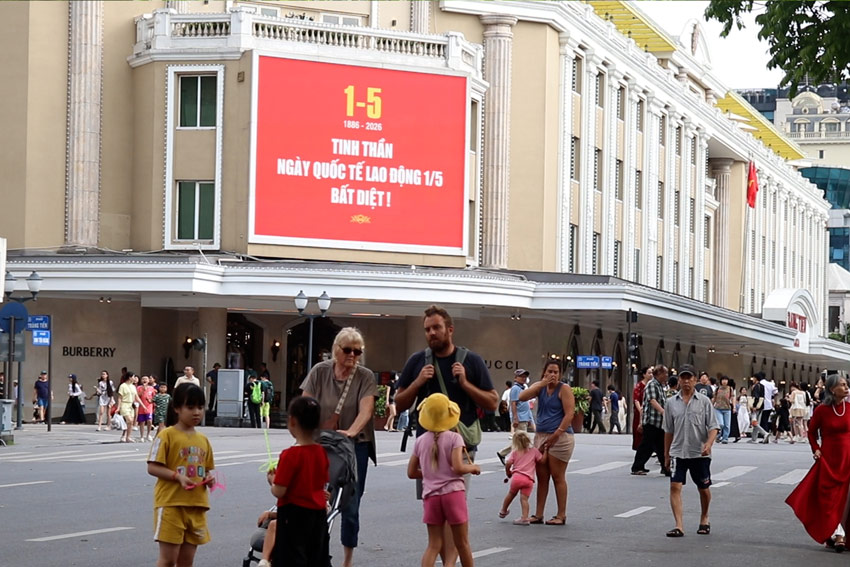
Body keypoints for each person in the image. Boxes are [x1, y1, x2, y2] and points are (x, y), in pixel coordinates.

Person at [396, 305, 497, 567]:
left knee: (454, 515)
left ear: (450, 329)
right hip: (427, 449)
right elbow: (400, 402)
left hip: (460, 446)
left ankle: (448, 564)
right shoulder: (417, 361)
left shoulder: (470, 361)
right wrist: (418, 382)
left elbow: (492, 402)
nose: (431, 333)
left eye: (436, 327)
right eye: (427, 329)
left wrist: (465, 384)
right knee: (436, 518)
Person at [300, 327, 377, 567]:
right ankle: (316, 552)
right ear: (336, 350)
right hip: (321, 443)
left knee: (350, 504)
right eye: (347, 350)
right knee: (315, 499)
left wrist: (351, 431)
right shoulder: (320, 371)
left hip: (355, 445)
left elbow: (366, 409)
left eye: (357, 351)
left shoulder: (365, 376)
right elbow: (305, 403)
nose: (353, 355)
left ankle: (347, 559)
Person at [407, 393, 480, 567]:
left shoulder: (420, 441)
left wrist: (431, 474)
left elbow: (411, 472)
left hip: (431, 496)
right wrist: (473, 468)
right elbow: (458, 467)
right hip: (453, 494)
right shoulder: (455, 438)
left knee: (433, 545)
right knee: (462, 543)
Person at [146, 383, 215, 567]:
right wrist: (178, 477)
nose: (197, 412)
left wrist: (209, 479)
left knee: (186, 562)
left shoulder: (203, 440)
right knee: (168, 560)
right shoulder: (166, 435)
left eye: (200, 407)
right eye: (190, 407)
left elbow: (206, 469)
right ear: (177, 408)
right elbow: (152, 467)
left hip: (197, 506)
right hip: (171, 505)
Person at [786, 374, 850, 552]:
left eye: (847, 385)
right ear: (832, 389)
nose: (846, 388)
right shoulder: (822, 410)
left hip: (848, 457)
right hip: (828, 459)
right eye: (842, 385)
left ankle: (841, 534)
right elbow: (812, 432)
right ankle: (837, 532)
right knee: (830, 498)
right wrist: (815, 449)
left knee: (846, 498)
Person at [268, 396, 330, 567]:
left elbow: (280, 491)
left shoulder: (290, 455)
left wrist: (272, 479)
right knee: (315, 557)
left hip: (293, 515)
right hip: (317, 515)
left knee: (292, 559)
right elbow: (321, 481)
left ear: (292, 421)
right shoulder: (321, 452)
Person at [663, 364, 720, 538]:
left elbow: (713, 426)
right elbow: (668, 430)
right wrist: (666, 454)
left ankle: (704, 517)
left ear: (695, 380)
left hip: (699, 452)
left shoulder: (704, 402)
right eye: (683, 378)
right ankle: (679, 525)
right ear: (679, 380)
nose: (686, 381)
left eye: (690, 378)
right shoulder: (671, 403)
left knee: (703, 488)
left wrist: (709, 444)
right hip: (678, 452)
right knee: (675, 486)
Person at [518, 359, 575, 526]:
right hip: (541, 436)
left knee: (558, 476)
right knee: (542, 477)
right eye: (549, 371)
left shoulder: (564, 389)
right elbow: (522, 397)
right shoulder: (540, 388)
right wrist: (541, 383)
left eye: (556, 372)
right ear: (544, 372)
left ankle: (561, 514)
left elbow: (569, 414)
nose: (553, 375)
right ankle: (538, 514)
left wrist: (556, 434)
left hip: (560, 437)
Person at [498, 431, 543, 525]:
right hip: (529, 480)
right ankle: (525, 517)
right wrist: (546, 451)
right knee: (524, 499)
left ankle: (503, 511)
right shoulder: (534, 451)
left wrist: (508, 472)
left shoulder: (515, 452)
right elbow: (542, 460)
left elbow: (508, 463)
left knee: (511, 494)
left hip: (517, 478)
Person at [632, 365, 670, 476]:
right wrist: (663, 411)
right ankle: (637, 467)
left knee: (661, 446)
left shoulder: (660, 385)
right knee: (646, 445)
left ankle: (665, 467)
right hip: (652, 420)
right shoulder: (652, 385)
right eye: (665, 373)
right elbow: (652, 401)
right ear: (659, 374)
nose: (667, 376)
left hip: (659, 421)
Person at [497, 369, 532, 465]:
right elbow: (513, 404)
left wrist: (529, 418)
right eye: (521, 376)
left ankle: (503, 453)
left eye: (525, 377)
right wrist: (515, 418)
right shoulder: (516, 388)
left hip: (524, 417)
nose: (524, 378)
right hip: (520, 418)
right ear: (516, 378)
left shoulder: (522, 388)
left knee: (519, 440)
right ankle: (520, 458)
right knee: (523, 440)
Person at [117, 373, 142, 443]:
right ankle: (124, 436)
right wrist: (118, 407)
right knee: (130, 420)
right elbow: (119, 397)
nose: (135, 378)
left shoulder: (133, 386)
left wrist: (143, 405)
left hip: (131, 405)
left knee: (130, 422)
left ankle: (127, 437)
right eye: (134, 377)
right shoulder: (123, 386)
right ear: (129, 377)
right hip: (124, 404)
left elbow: (136, 397)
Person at [633, 367, 652, 451]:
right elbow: (636, 399)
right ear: (644, 375)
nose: (651, 375)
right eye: (649, 373)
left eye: (652, 373)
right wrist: (640, 409)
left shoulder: (652, 385)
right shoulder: (639, 386)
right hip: (640, 411)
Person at [712, 375, 733, 444]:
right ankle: (718, 435)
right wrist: (711, 405)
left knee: (727, 425)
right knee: (721, 424)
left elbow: (732, 398)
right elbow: (714, 398)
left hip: (727, 408)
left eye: (726, 380)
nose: (724, 381)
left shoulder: (730, 389)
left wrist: (734, 406)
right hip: (718, 408)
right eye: (723, 380)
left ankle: (725, 438)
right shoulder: (718, 389)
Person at [137, 375, 156, 442]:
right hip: (141, 408)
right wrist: (143, 390)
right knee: (142, 422)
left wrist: (154, 405)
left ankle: (148, 434)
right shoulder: (139, 387)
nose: (144, 380)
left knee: (149, 420)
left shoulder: (151, 388)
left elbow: (154, 397)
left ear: (148, 381)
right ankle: (142, 436)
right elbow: (137, 396)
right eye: (143, 379)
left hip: (149, 407)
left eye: (146, 379)